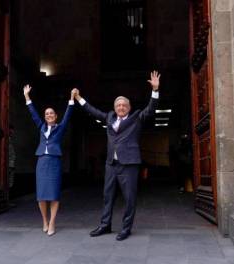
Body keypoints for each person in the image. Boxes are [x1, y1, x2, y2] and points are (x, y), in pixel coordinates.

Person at [72, 70, 161, 241]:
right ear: (114, 108)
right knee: (108, 196)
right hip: (111, 164)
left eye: (124, 105)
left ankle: (126, 228)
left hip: (129, 164)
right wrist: (79, 98)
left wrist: (155, 90)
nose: (121, 107)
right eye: (118, 105)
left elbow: (151, 109)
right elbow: (93, 111)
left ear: (129, 108)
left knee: (129, 198)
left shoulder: (136, 117)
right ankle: (105, 225)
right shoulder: (109, 118)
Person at [23, 84, 75, 236]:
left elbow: (68, 114)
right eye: (46, 114)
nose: (49, 115)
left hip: (54, 163)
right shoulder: (41, 127)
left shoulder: (60, 127)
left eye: (51, 113)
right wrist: (27, 96)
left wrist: (72, 99)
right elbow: (33, 113)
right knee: (41, 195)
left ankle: (52, 222)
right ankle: (44, 221)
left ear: (55, 116)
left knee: (53, 194)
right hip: (42, 162)